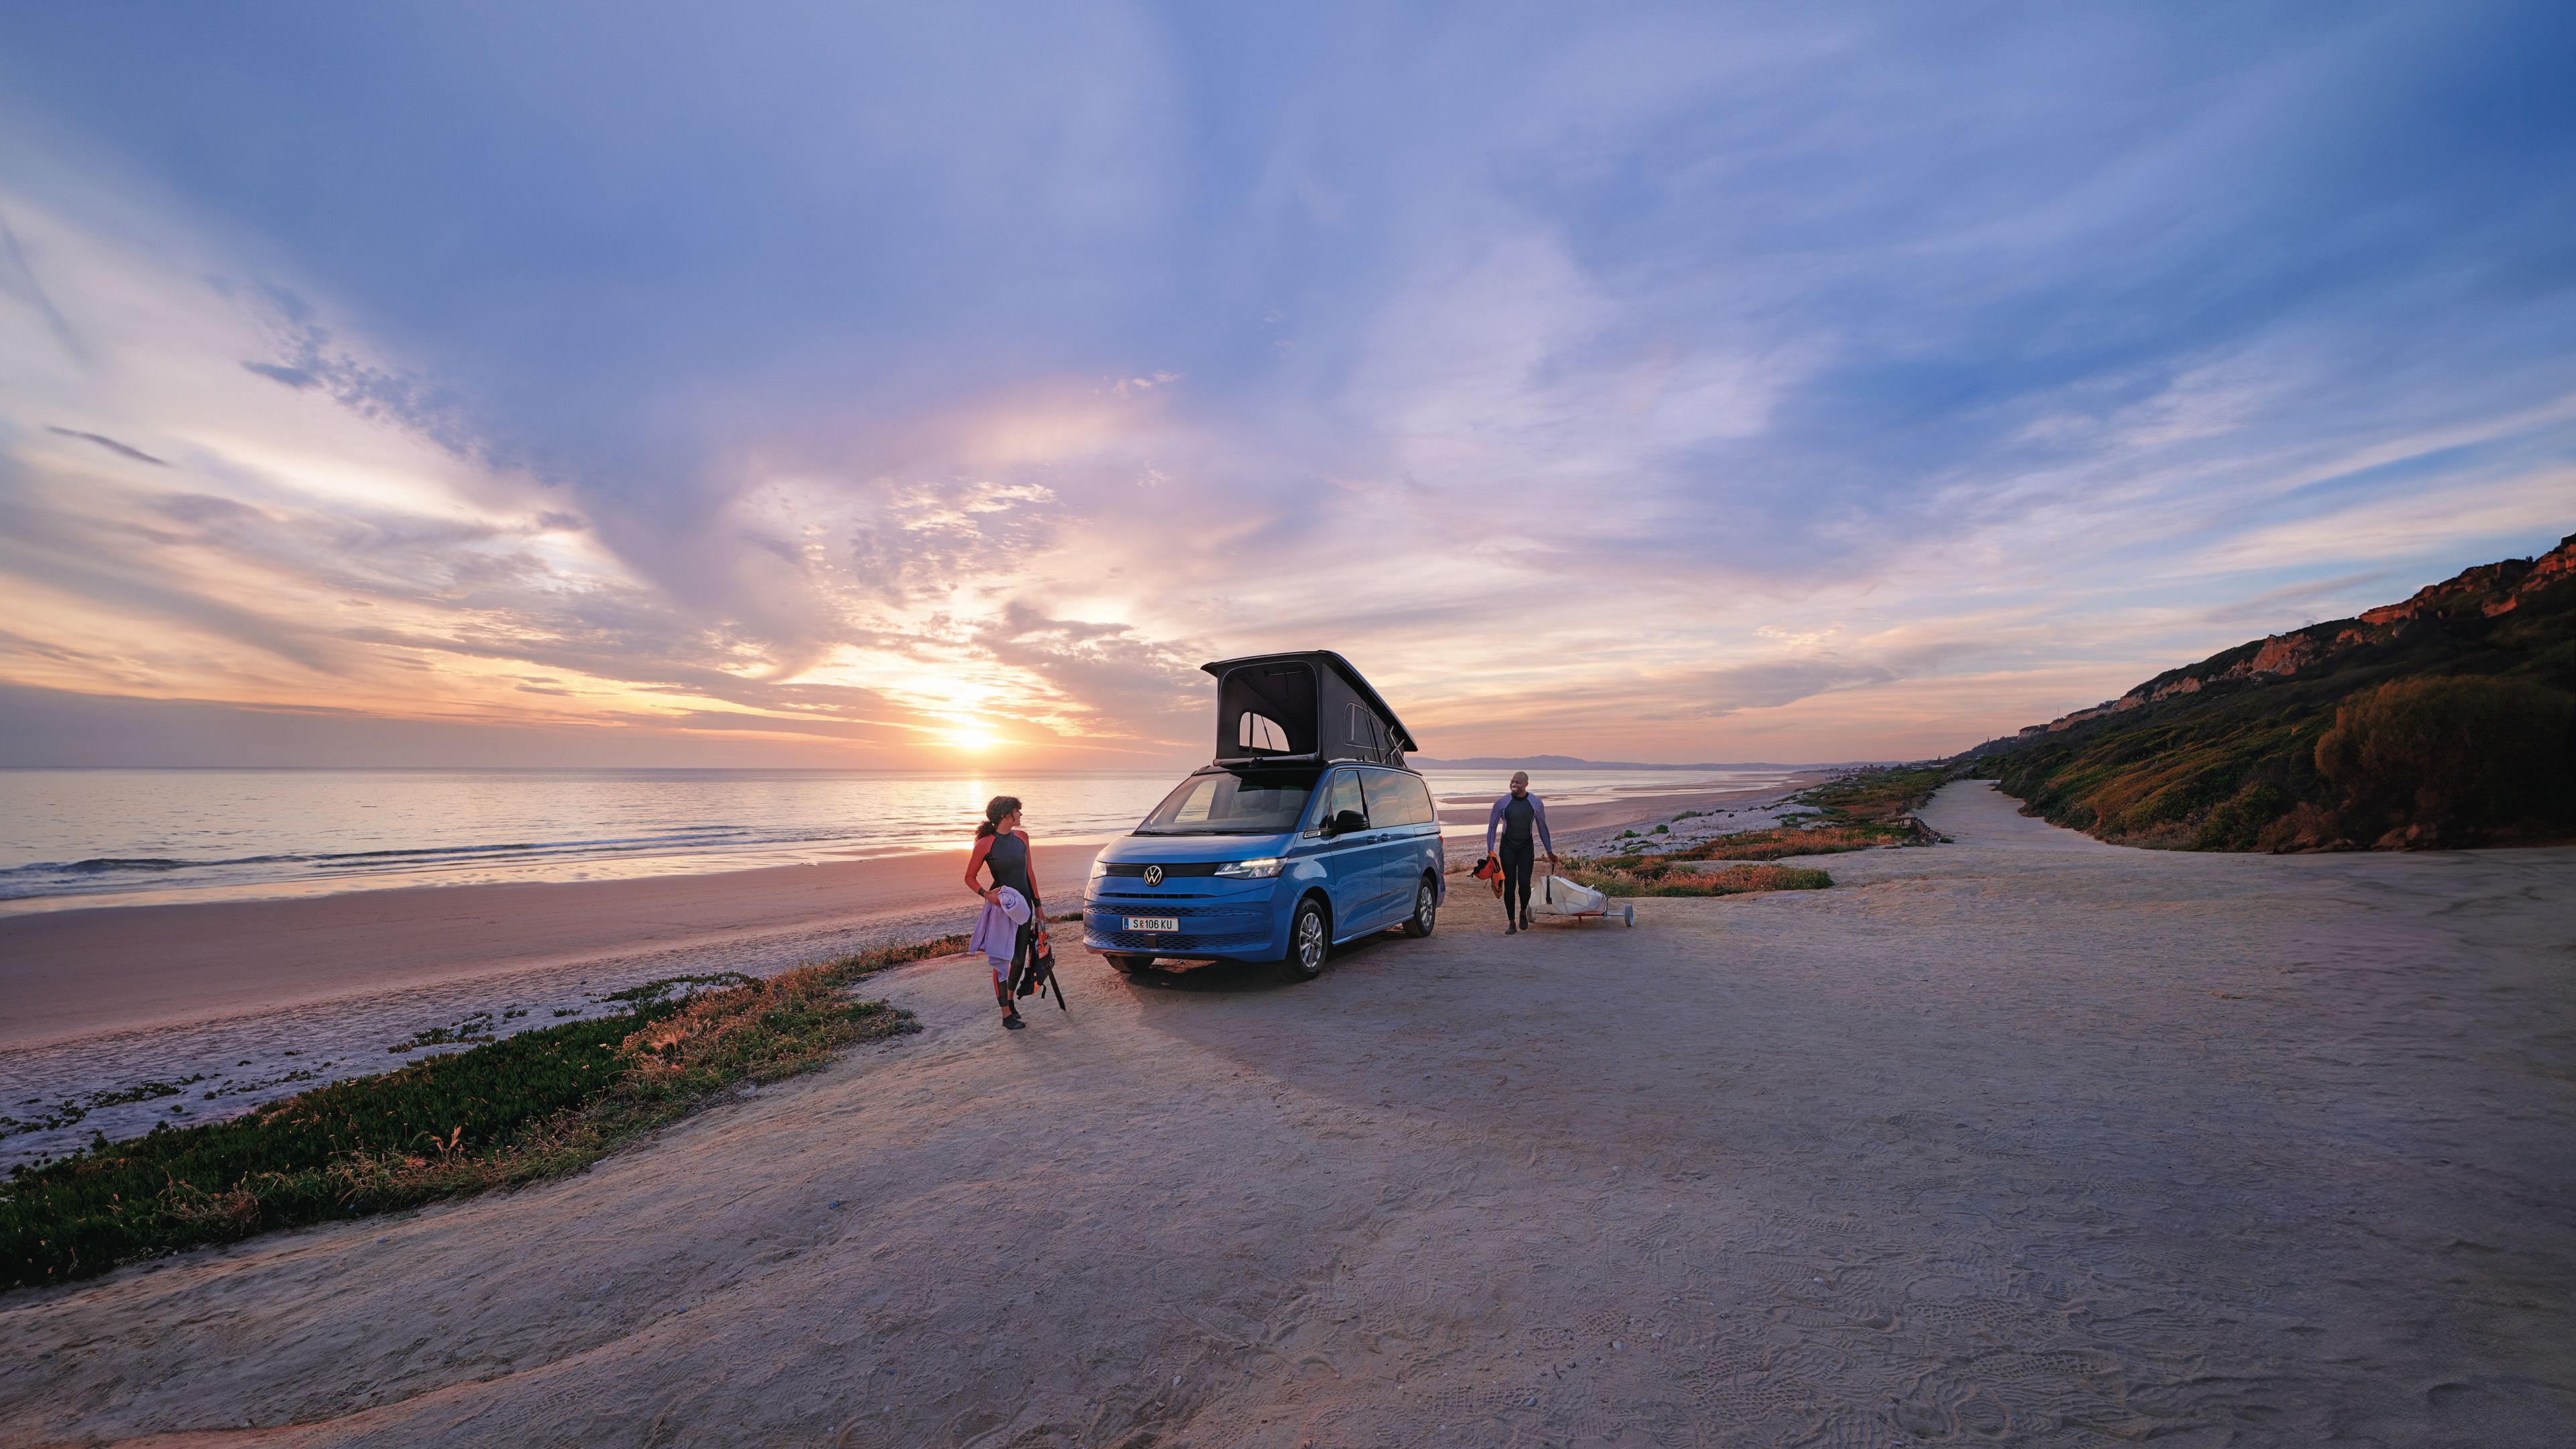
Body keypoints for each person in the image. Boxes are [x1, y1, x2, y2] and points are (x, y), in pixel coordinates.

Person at [963, 795, 1045, 1030]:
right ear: (1004, 815)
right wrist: (986, 894)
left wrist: (1038, 906)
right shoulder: (985, 844)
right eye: (1017, 811)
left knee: (1019, 958)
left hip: (1024, 906)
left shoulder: (1022, 838)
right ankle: (1005, 1014)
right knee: (1002, 960)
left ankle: (1010, 1001)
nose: (1020, 815)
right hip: (1002, 908)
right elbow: (969, 877)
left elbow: (1029, 873)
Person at [1484, 771, 1555, 934]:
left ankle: (1523, 911)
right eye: (1512, 781)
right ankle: (1511, 922)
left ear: (1526, 785)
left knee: (1524, 883)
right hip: (1507, 845)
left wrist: (1549, 851)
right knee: (1509, 884)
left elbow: (1543, 827)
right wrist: (1490, 851)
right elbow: (1492, 827)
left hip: (1526, 846)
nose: (1514, 785)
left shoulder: (1535, 803)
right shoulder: (1501, 803)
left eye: (1518, 782)